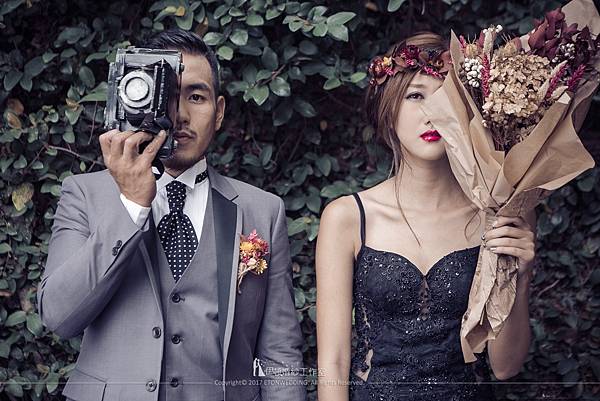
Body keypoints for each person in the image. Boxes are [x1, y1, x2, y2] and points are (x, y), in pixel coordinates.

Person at [38, 29, 305, 401]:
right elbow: (59, 316)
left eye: (196, 96)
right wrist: (132, 205)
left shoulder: (263, 210)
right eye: (166, 96)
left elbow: (279, 353)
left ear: (219, 112)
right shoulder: (85, 194)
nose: (178, 115)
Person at [315, 32, 537, 401]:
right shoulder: (347, 218)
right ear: (388, 107)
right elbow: (333, 363)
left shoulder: (499, 213)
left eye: (446, 98)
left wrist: (522, 276)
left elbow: (505, 367)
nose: (432, 112)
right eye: (416, 96)